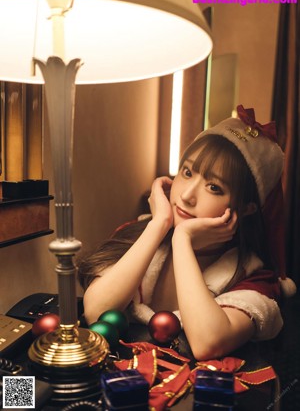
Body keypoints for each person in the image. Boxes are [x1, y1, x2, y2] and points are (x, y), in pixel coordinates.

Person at [78, 105, 296, 360]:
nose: (187, 195)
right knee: (26, 397)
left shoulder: (255, 279)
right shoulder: (137, 236)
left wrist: (182, 240)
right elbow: (96, 313)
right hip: (110, 388)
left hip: (194, 397)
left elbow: (207, 343)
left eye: (214, 187)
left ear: (246, 208)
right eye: (187, 172)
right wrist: (159, 225)